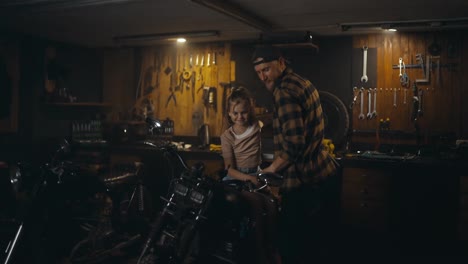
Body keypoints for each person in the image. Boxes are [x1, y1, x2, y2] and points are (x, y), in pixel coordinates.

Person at [252, 45, 340, 263]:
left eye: (267, 69)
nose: (263, 77)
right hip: (325, 173)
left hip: (304, 182)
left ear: (281, 63)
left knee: (293, 247)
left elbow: (294, 146)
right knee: (320, 246)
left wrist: (271, 169)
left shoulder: (283, 93)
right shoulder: (302, 82)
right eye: (259, 72)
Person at [219, 87, 280, 264]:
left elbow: (275, 118)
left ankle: (272, 248)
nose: (240, 117)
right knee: (256, 204)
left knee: (272, 204)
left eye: (244, 112)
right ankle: (260, 252)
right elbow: (229, 169)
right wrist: (250, 179)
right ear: (230, 114)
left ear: (250, 111)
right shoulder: (227, 136)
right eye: (235, 113)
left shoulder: (257, 126)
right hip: (236, 179)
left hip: (256, 174)